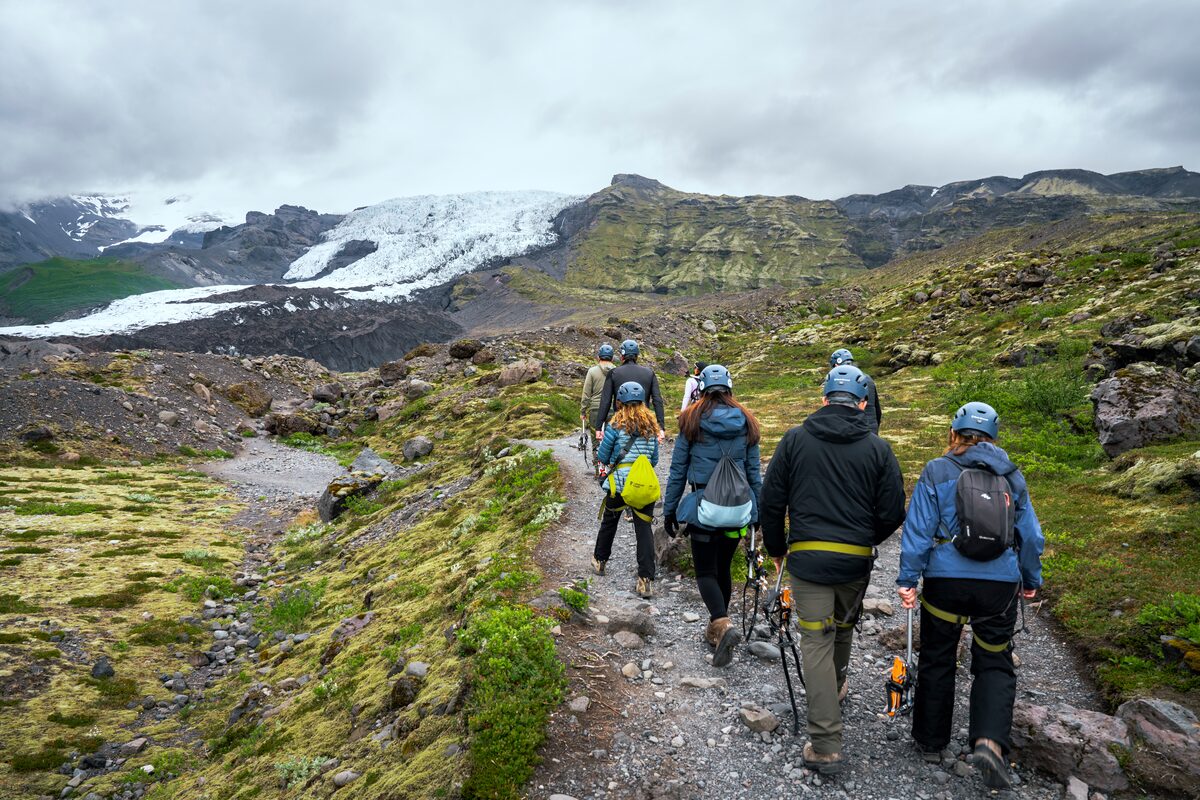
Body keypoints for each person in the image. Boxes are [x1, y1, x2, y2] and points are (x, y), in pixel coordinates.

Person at [761, 365, 906, 774]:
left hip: (807, 560)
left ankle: (825, 743)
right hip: (855, 561)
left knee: (816, 639)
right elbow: (894, 511)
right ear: (862, 404)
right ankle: (837, 687)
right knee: (842, 629)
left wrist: (776, 548)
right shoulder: (878, 448)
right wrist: (866, 538)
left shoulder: (794, 440)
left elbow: (772, 501)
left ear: (824, 399)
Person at [896, 401, 1044, 790]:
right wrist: (1030, 578)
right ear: (994, 437)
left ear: (953, 433)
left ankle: (930, 741)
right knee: (994, 660)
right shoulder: (1013, 476)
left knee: (937, 656)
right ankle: (989, 741)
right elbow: (1031, 537)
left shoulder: (937, 469)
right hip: (998, 585)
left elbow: (918, 531)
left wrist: (908, 578)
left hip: (945, 582)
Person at [662, 364, 762, 667]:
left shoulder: (691, 419)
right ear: (730, 388)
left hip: (704, 509)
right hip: (737, 510)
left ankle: (722, 622)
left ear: (702, 388)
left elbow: (678, 469)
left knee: (705, 572)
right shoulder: (747, 421)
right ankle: (717, 629)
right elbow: (754, 474)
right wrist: (757, 513)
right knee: (722, 568)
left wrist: (670, 509)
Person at [593, 381, 661, 598]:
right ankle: (645, 579)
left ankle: (600, 561)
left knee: (609, 521)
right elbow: (655, 459)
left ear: (619, 402)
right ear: (643, 402)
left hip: (620, 484)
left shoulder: (614, 426)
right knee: (644, 529)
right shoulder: (651, 427)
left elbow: (602, 456)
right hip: (642, 485)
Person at [595, 339, 666, 443]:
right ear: (637, 355)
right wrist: (661, 427)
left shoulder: (613, 373)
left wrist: (599, 427)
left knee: (617, 455)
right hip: (644, 423)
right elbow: (657, 400)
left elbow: (606, 401)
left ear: (622, 355)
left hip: (620, 423)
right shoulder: (649, 373)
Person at [830, 348, 882, 433]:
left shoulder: (839, 382)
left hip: (853, 431)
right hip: (871, 429)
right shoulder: (868, 378)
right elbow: (877, 410)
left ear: (836, 365)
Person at [581, 343, 617, 463]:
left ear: (598, 357)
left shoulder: (592, 371)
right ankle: (610, 468)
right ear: (612, 358)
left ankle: (598, 469)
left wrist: (583, 410)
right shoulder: (617, 371)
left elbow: (586, 393)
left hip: (595, 410)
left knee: (596, 440)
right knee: (611, 439)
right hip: (613, 410)